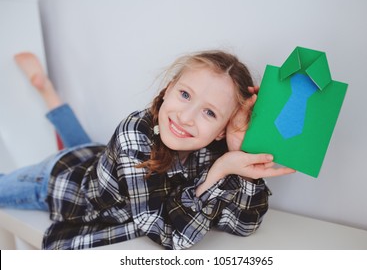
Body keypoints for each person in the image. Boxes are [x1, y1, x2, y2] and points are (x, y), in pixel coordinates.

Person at [0, 51, 295, 250]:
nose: (186, 117)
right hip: (59, 181)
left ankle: (47, 91)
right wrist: (218, 173)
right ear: (167, 89)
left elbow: (244, 225)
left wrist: (236, 157)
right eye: (184, 94)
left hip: (98, 157)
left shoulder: (215, 148)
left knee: (82, 143)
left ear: (222, 129)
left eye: (209, 113)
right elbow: (172, 237)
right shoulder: (133, 133)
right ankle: (47, 92)